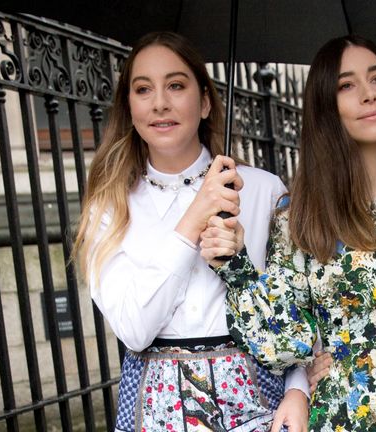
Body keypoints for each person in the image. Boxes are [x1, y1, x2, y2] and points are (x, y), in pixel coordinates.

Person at [200, 35, 376, 431]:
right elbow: (285, 344)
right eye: (347, 85)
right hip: (346, 414)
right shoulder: (300, 218)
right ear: (327, 107)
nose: (368, 94)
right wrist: (236, 266)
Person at [73, 31, 309, 432]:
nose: (160, 102)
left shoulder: (263, 191)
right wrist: (192, 219)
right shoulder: (108, 207)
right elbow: (134, 329)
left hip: (259, 399)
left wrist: (298, 390)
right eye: (143, 89)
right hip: (156, 405)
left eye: (176, 85)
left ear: (203, 102)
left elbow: (300, 305)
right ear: (129, 107)